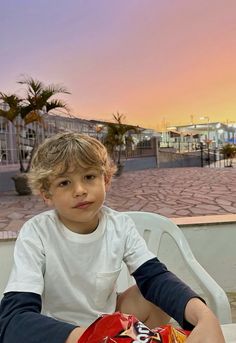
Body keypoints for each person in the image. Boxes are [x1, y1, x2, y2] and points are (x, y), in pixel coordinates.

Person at [0, 132, 225, 343]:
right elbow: (13, 318)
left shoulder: (120, 225)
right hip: (61, 334)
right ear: (46, 194)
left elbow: (156, 277)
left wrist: (205, 317)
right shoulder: (36, 233)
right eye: (64, 182)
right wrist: (91, 337)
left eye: (89, 176)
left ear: (106, 180)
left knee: (153, 295)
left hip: (111, 328)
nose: (79, 190)